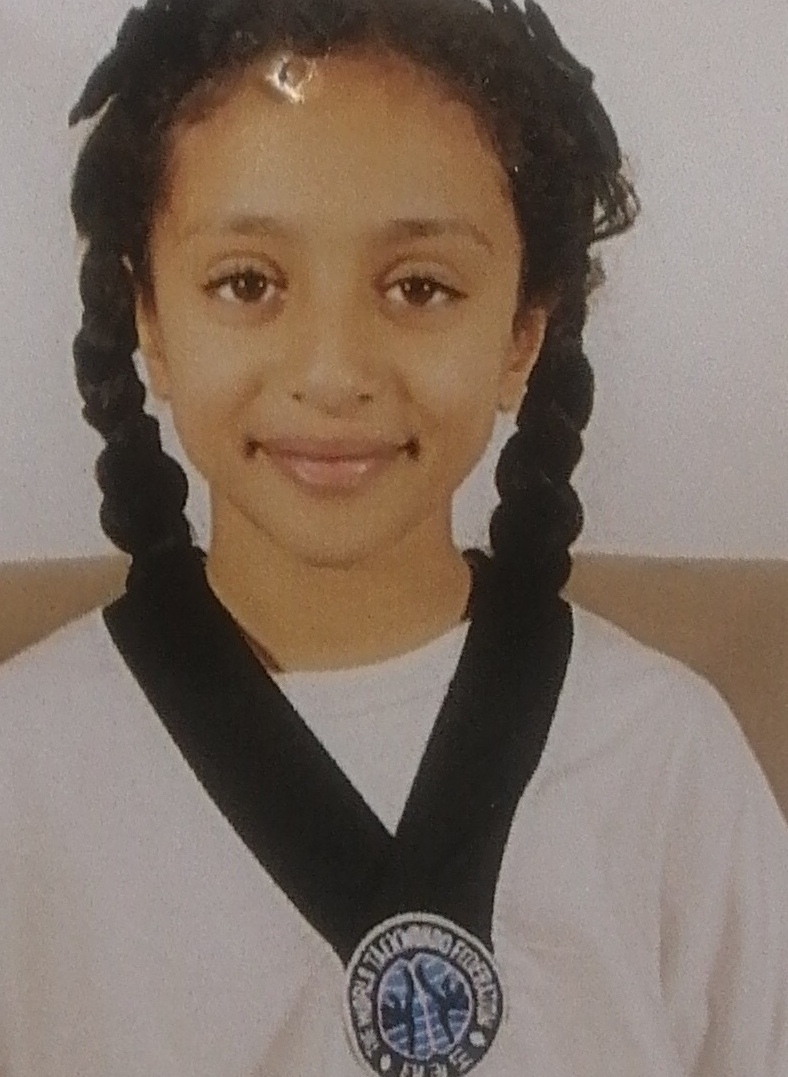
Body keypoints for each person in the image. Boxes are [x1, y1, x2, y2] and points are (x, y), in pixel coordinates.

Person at [0, 0, 786, 1074]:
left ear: (522, 333)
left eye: (420, 287)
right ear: (151, 322)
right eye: (247, 283)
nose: (332, 372)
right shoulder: (26, 769)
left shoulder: (666, 761)